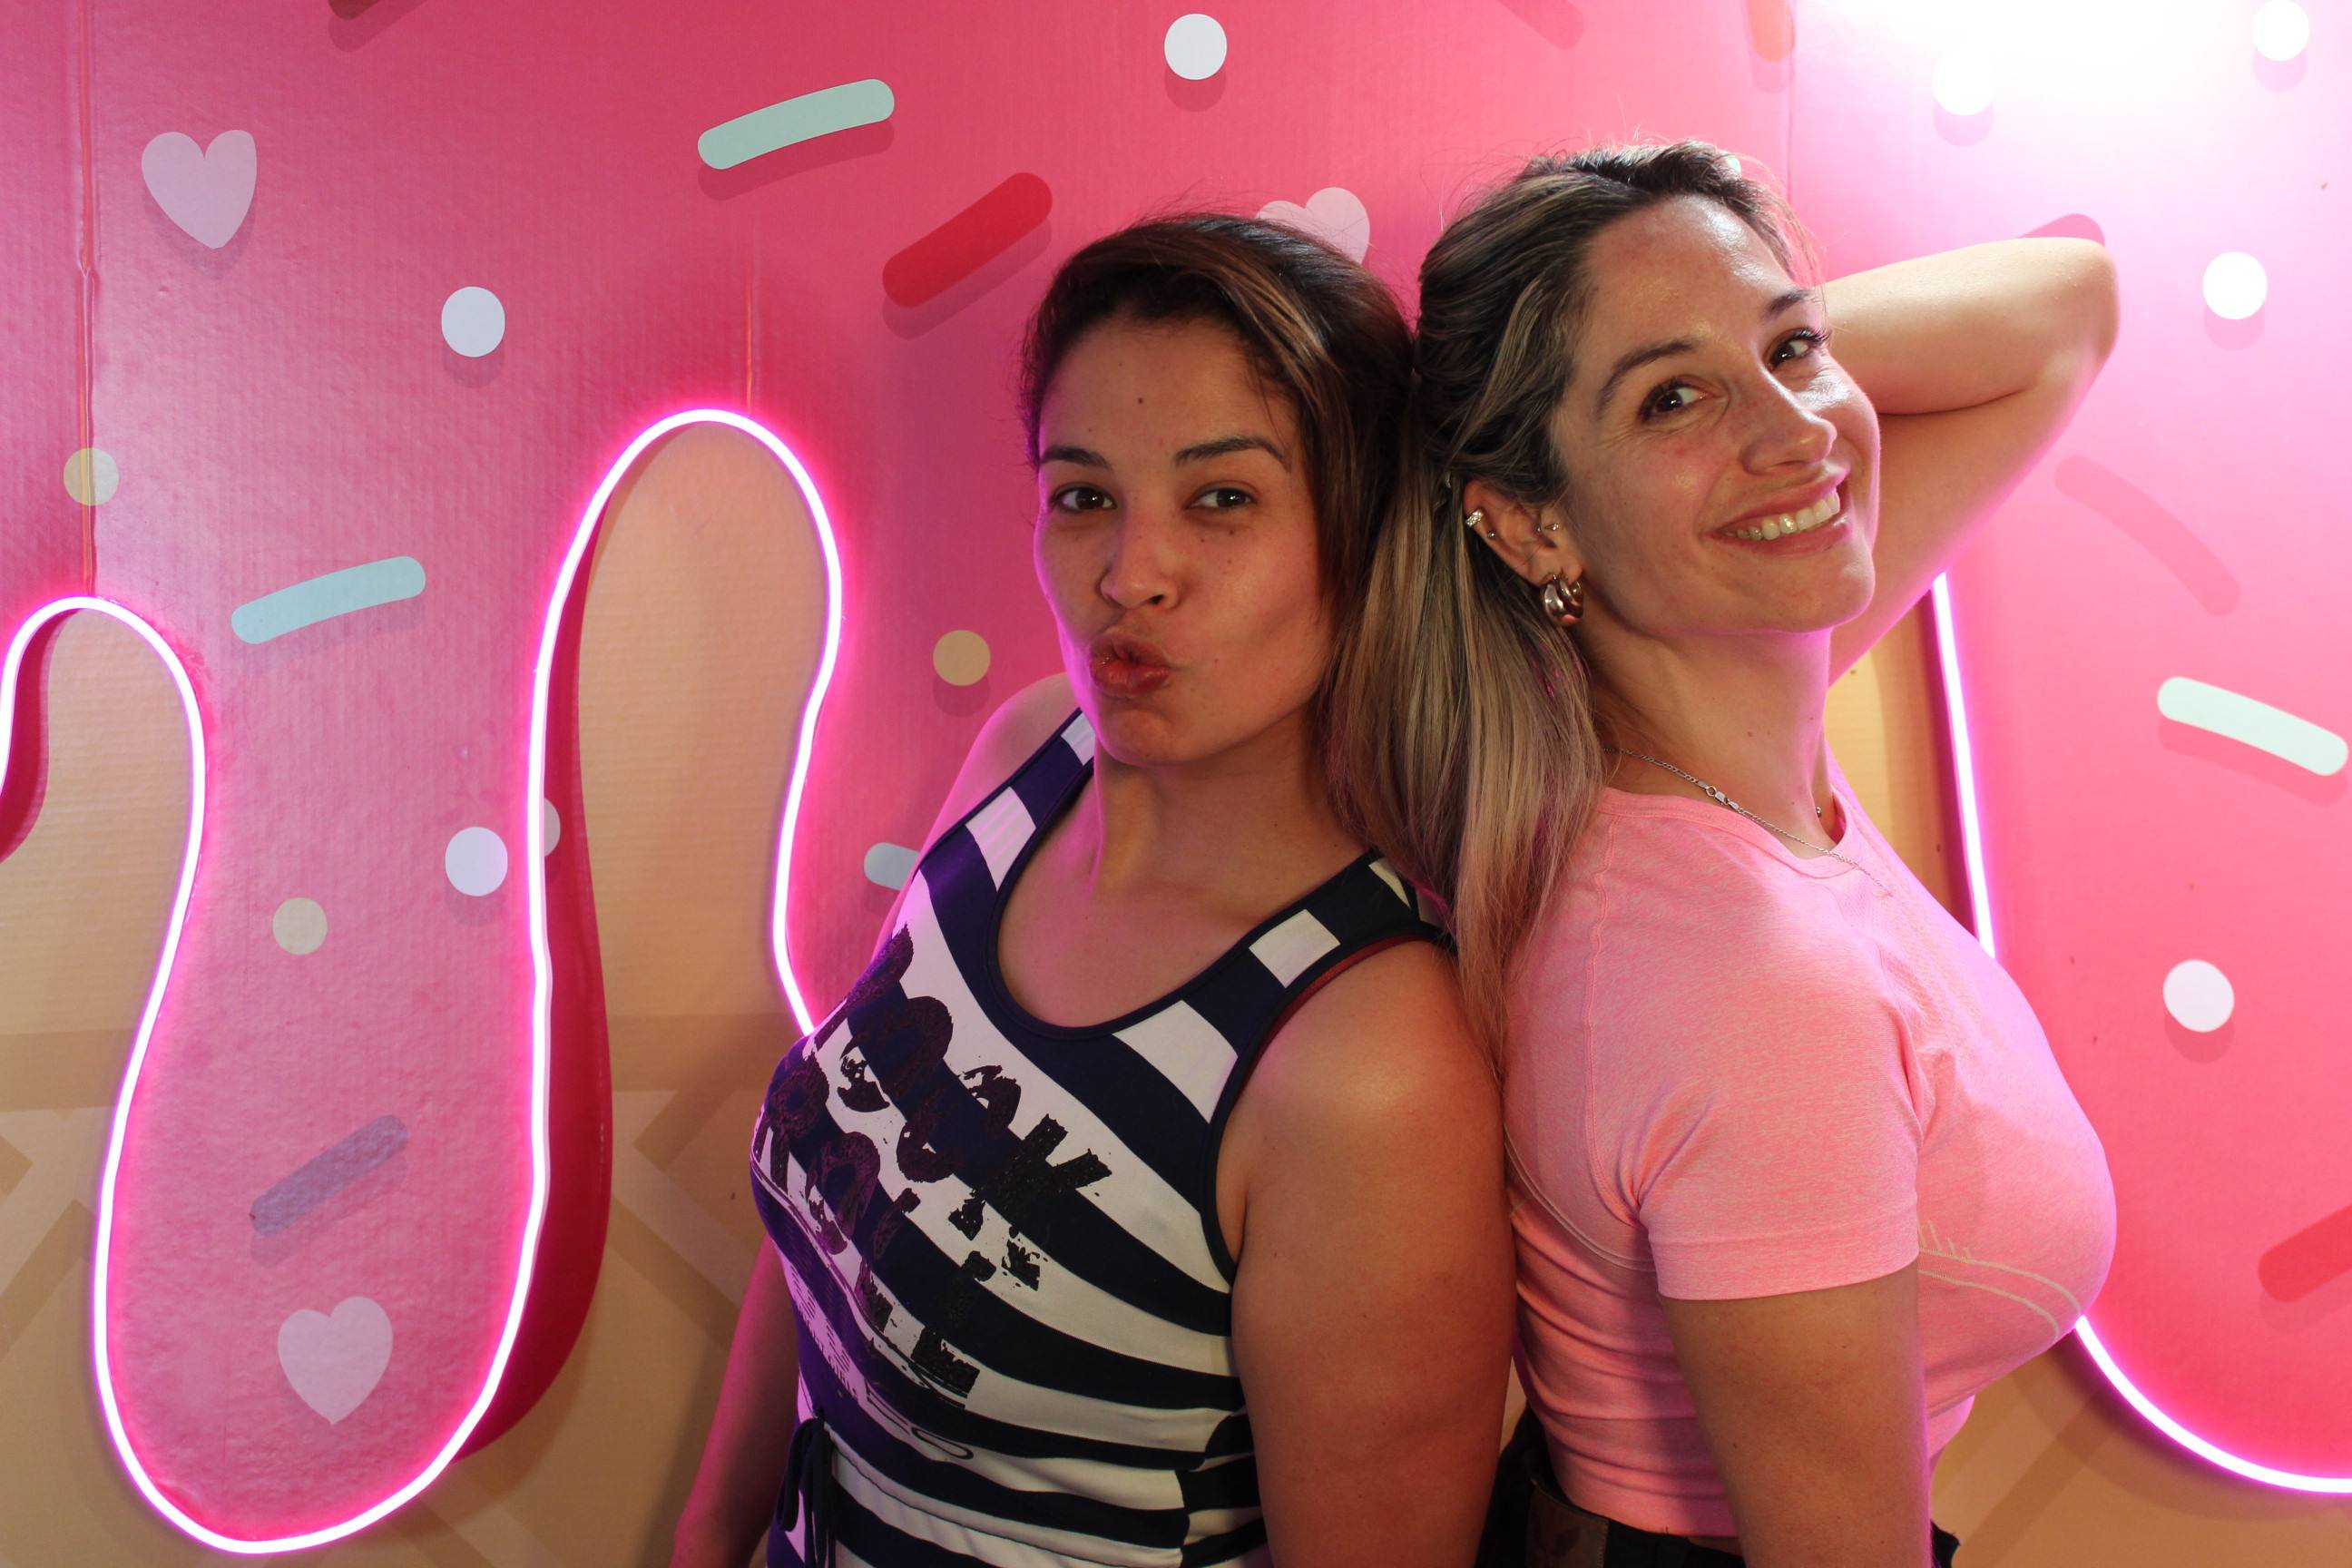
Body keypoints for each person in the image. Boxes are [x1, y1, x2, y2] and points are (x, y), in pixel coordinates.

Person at [671, 214, 1516, 1568]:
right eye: (1084, 496)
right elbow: (847, 1195)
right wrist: (710, 1533)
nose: (1131, 577)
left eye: (1223, 499)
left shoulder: (1362, 1062)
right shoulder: (1026, 759)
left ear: (1367, 536)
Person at [1332, 142, 2120, 1567]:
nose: (1796, 434)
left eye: (1795, 349)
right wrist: (1679, 358)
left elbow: (2067, 309)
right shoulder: (1751, 985)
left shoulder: (1713, 704)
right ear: (1529, 523)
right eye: (1670, 400)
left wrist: (1691, 356)